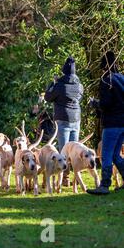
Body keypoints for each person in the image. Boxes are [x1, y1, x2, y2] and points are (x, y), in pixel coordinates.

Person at [87, 51, 124, 195]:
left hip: (112, 124)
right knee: (116, 155)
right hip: (123, 123)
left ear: (104, 66)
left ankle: (104, 185)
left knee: (106, 155)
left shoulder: (106, 80)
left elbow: (106, 104)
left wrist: (95, 103)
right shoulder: (122, 78)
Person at [44, 56, 84, 186]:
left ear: (64, 70)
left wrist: (53, 83)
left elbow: (48, 97)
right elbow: (79, 98)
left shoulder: (59, 85)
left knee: (63, 150)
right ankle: (76, 178)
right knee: (75, 150)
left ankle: (65, 178)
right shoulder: (79, 85)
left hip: (63, 119)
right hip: (76, 118)